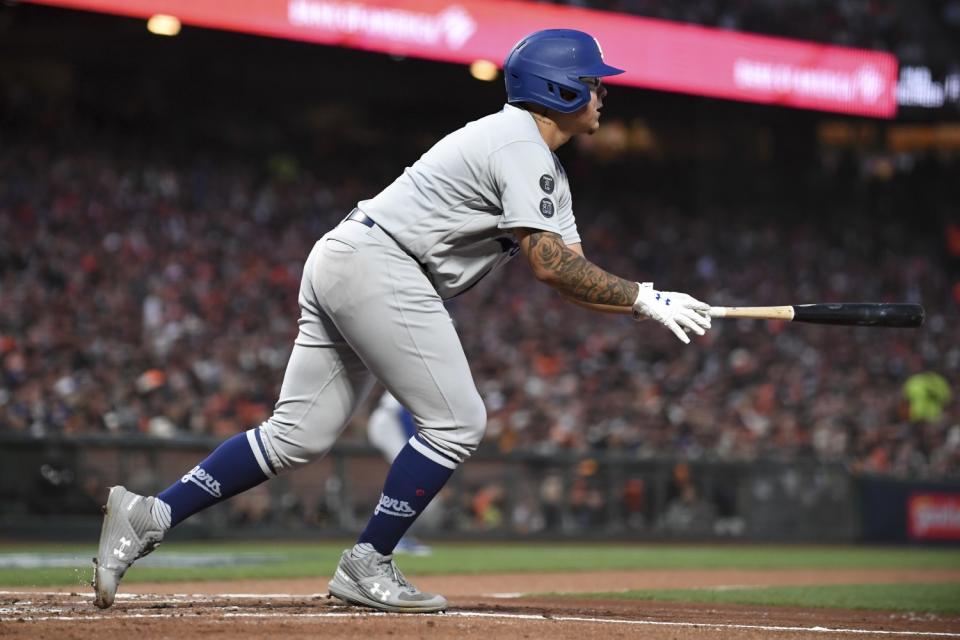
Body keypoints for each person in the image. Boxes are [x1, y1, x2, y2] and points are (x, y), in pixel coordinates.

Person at [92, 28, 711, 614]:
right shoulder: (522, 144)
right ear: (561, 90)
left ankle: (150, 514)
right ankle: (368, 561)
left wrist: (647, 299)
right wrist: (639, 298)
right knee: (459, 421)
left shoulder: (531, 153)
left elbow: (571, 271)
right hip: (383, 264)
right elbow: (551, 268)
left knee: (296, 436)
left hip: (351, 255)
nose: (605, 92)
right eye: (594, 82)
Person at [366, 391, 434, 555]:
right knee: (409, 472)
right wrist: (416, 443)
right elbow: (404, 414)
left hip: (386, 420)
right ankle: (394, 539)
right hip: (389, 422)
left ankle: (396, 536)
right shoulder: (422, 374)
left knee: (406, 475)